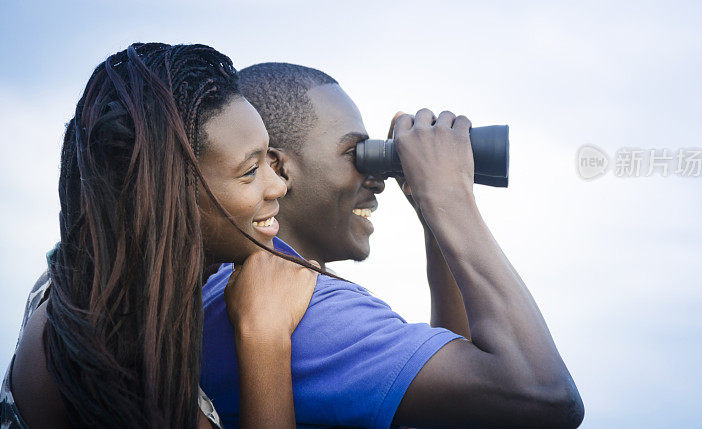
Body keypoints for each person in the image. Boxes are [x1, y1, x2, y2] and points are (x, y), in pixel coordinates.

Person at [200, 63, 584, 428]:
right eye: (356, 153)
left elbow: (455, 412)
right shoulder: (305, 313)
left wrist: (432, 219)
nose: (379, 179)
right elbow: (543, 394)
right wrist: (448, 197)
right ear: (279, 169)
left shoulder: (229, 291)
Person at [1, 45, 320, 428]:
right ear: (168, 194)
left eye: (269, 159)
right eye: (250, 171)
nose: (278, 186)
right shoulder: (110, 358)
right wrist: (264, 335)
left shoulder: (83, 279)